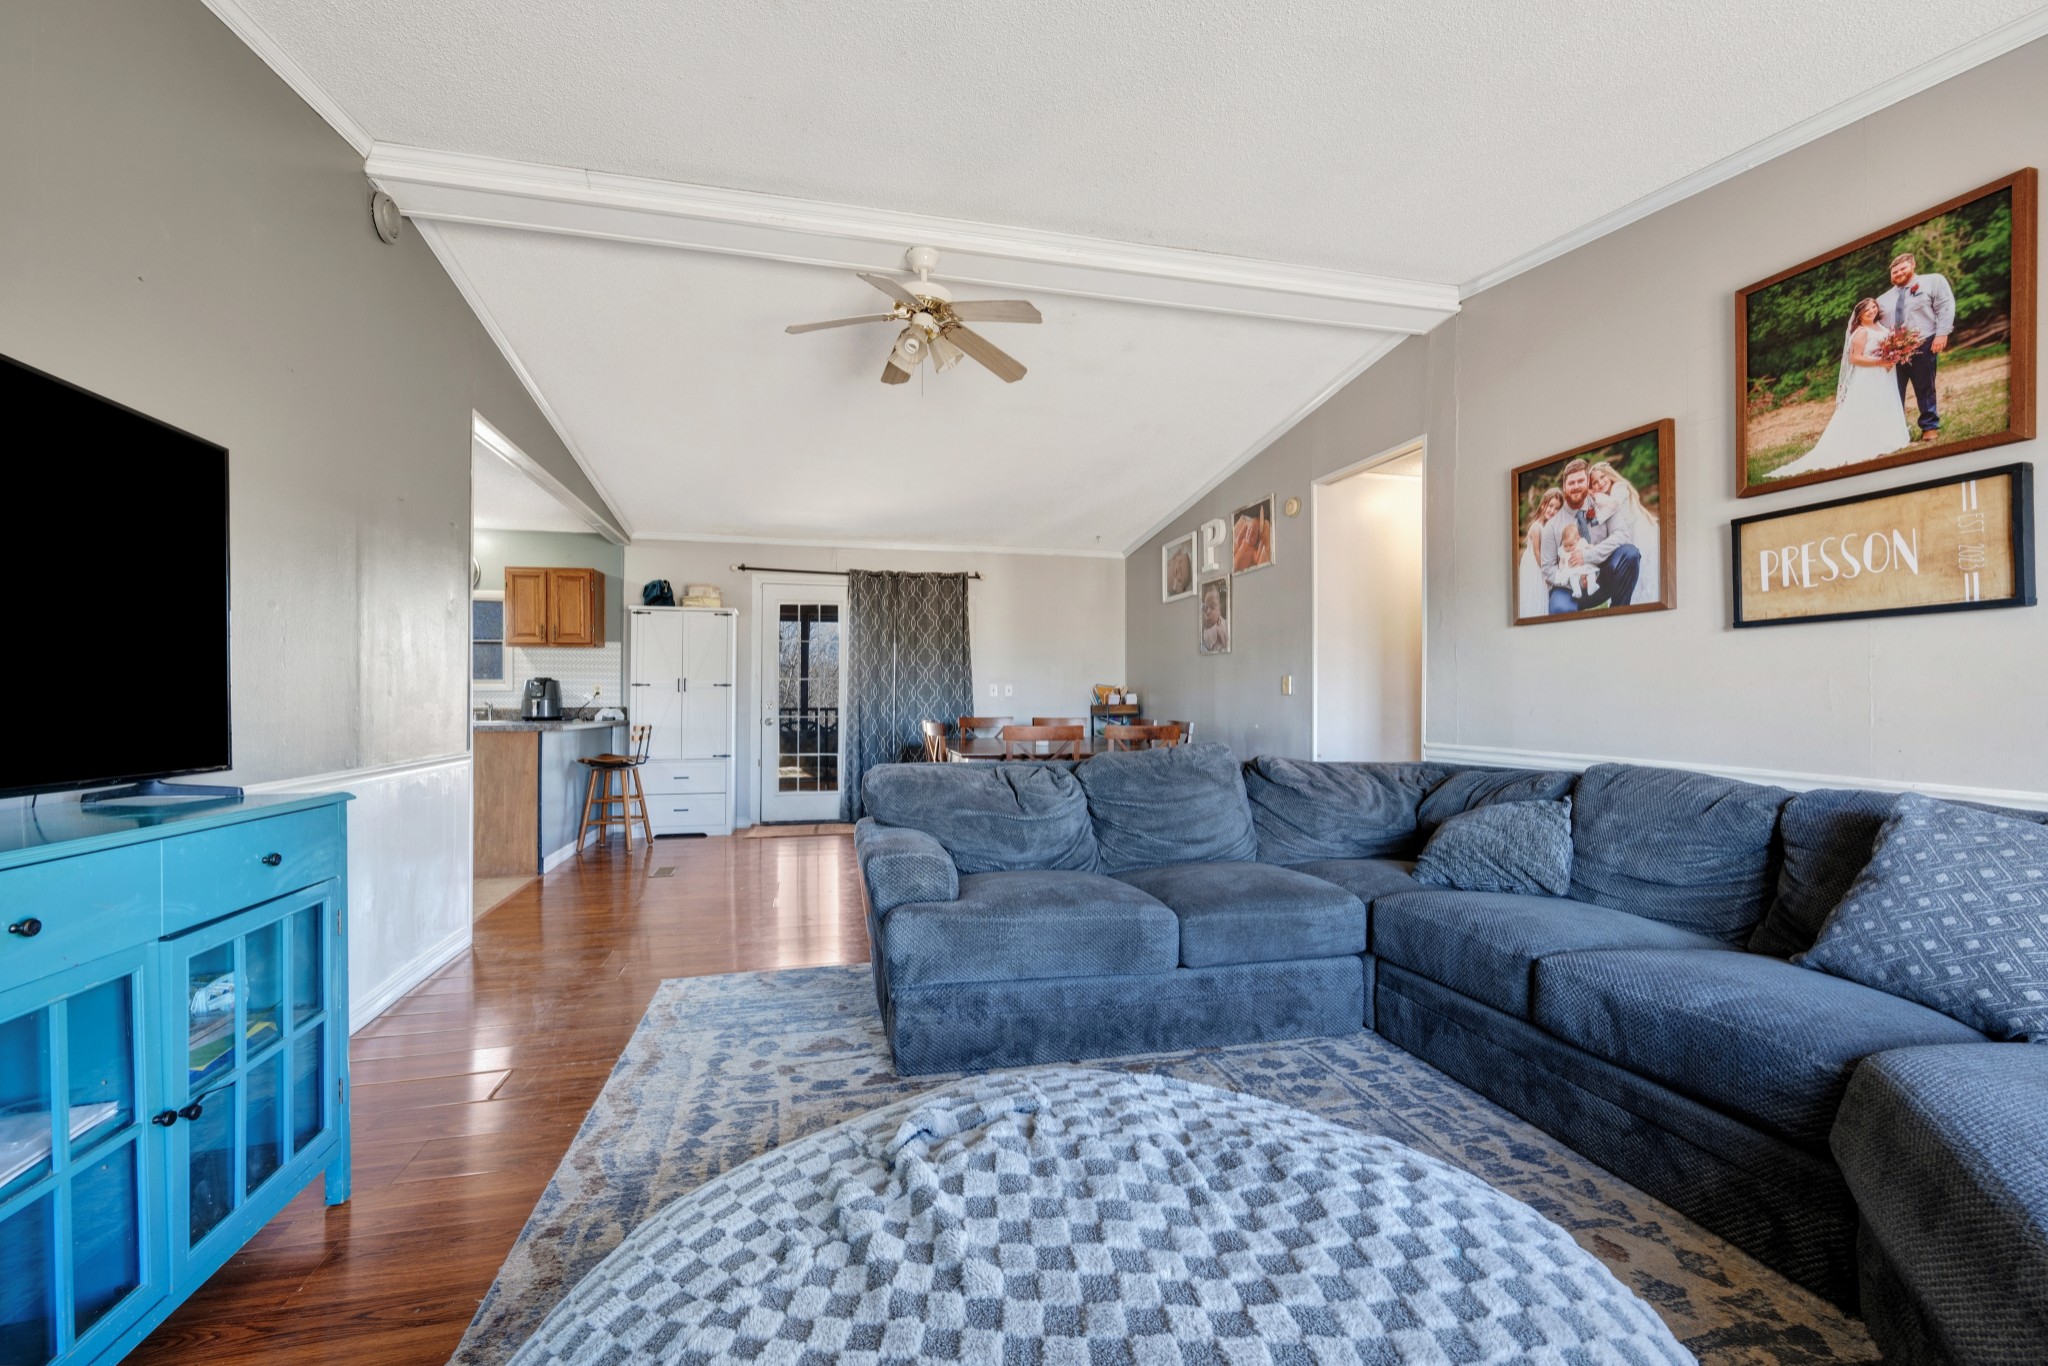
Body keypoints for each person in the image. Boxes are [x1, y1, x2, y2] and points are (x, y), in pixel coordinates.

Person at [1772, 298, 1912, 478]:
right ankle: (1871, 442)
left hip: (1884, 374)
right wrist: (1881, 361)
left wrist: (1895, 354)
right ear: (1859, 314)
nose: (1872, 311)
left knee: (1883, 405)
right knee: (1869, 408)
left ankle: (1887, 437)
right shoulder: (1861, 332)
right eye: (1867, 309)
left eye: (1874, 307)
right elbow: (1855, 358)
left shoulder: (1879, 327)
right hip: (1869, 375)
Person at [1538, 458, 1641, 614]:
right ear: (1564, 485)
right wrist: (1578, 580)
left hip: (1602, 577)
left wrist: (1588, 556)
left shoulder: (1604, 505)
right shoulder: (1552, 525)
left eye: (1581, 481)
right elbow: (1547, 569)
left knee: (1630, 554)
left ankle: (1618, 615)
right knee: (1560, 608)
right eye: (1571, 483)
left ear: (1588, 482)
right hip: (1569, 587)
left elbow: (1621, 534)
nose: (1576, 486)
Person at [1879, 251, 1955, 442]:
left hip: (1923, 342)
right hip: (1894, 351)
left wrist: (1942, 333)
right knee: (1893, 392)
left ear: (1913, 265)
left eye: (1902, 268)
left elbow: (1945, 306)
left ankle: (1929, 427)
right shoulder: (1883, 299)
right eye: (1894, 272)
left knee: (1925, 387)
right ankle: (1896, 432)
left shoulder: (1933, 281)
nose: (1898, 273)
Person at [1518, 486, 1564, 618]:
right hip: (1535, 568)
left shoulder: (1548, 527)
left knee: (1543, 597)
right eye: (1550, 506)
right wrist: (1547, 574)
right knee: (1536, 595)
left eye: (1557, 509)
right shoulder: (1536, 527)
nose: (1552, 511)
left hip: (1542, 566)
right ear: (1543, 504)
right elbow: (1538, 554)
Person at [1199, 580, 1230, 653]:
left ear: (1219, 608)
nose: (1208, 612)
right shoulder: (1204, 630)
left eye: (1212, 606)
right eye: (1206, 608)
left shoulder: (1226, 625)